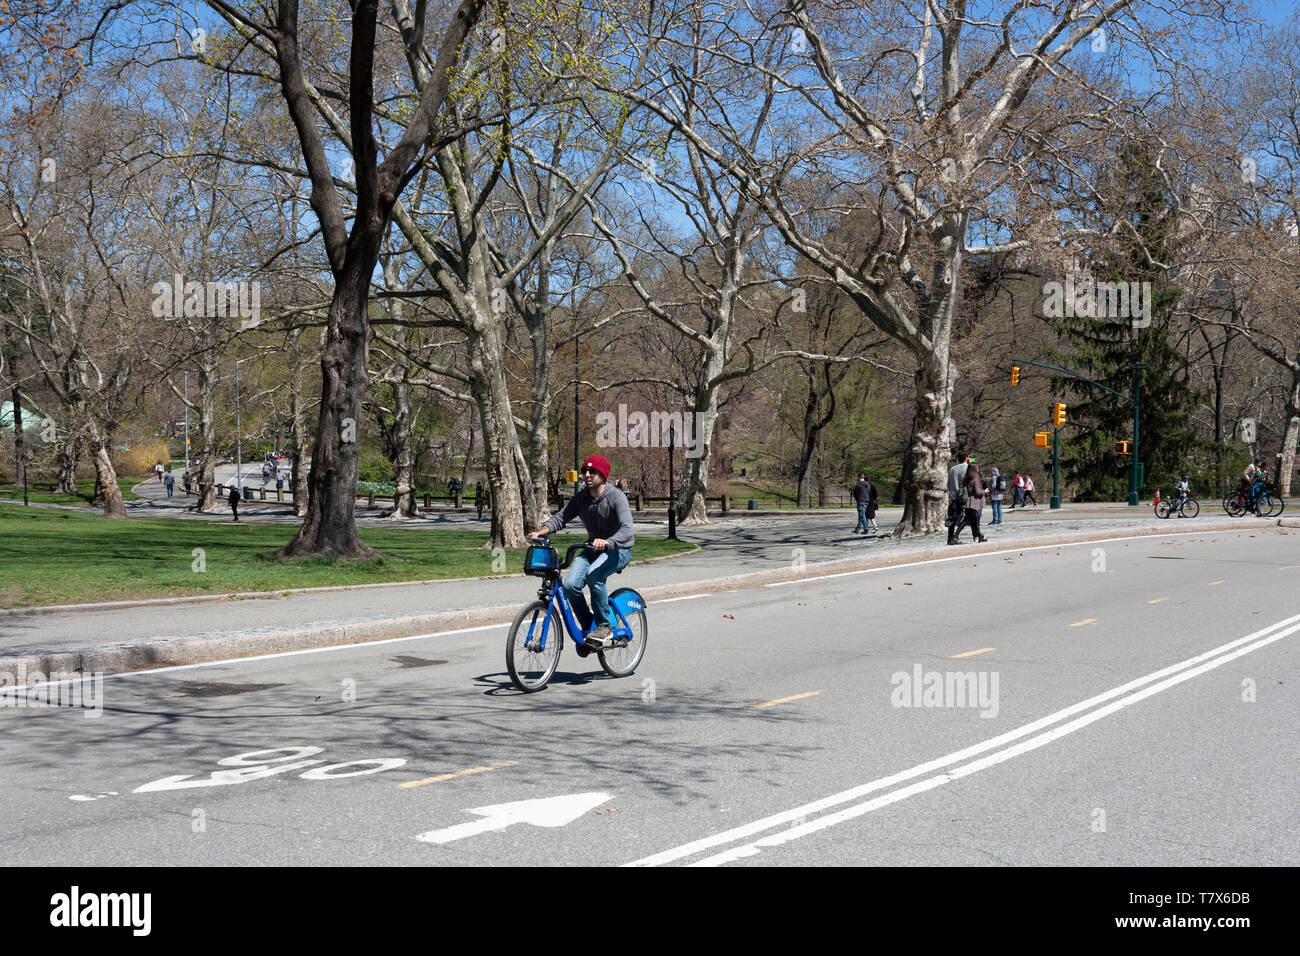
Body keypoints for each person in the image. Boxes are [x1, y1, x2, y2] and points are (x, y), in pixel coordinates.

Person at [527, 453, 634, 647]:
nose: (587, 474)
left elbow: (627, 530)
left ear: (603, 475)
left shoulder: (616, 497)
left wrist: (608, 542)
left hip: (619, 549)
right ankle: (588, 628)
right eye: (584, 470)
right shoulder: (582, 497)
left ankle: (603, 626)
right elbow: (561, 517)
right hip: (592, 547)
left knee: (594, 576)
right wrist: (541, 532)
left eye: (592, 471)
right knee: (570, 585)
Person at [946, 450, 970, 546]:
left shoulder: (952, 469)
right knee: (967, 517)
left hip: (954, 496)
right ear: (967, 457)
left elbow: (948, 484)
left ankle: (950, 537)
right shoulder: (968, 468)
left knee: (952, 517)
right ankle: (956, 536)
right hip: (964, 496)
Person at [962, 462, 989, 543]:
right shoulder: (975, 479)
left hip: (968, 502)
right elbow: (977, 492)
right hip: (974, 502)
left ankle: (977, 536)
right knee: (973, 521)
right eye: (977, 468)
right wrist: (984, 491)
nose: (978, 469)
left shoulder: (966, 478)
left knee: (972, 521)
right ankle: (955, 536)